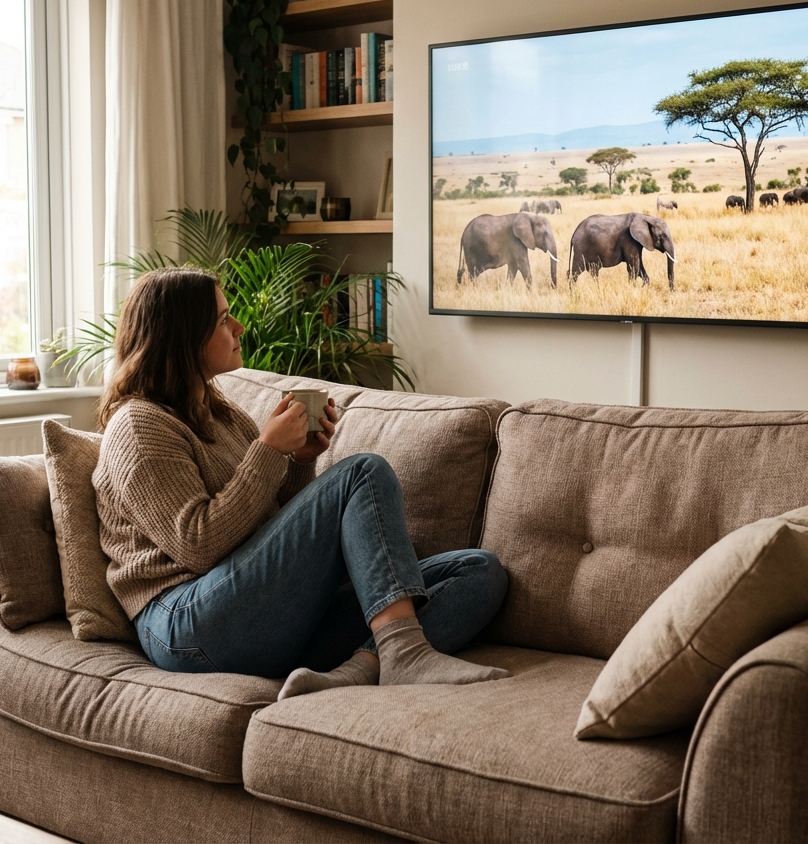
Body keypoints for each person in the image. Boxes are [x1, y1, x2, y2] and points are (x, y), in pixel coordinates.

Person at [93, 267, 509, 699]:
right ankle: (404, 652)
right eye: (222, 320)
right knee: (362, 473)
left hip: (258, 609)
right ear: (183, 336)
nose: (239, 327)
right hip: (185, 624)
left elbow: (274, 532)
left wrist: (297, 461)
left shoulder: (223, 414)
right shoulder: (139, 426)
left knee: (479, 571)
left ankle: (363, 668)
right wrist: (269, 451)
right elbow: (199, 546)